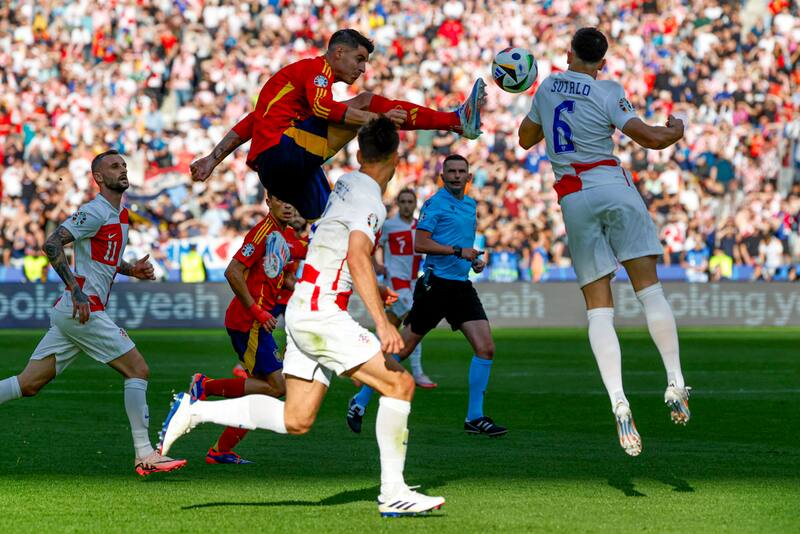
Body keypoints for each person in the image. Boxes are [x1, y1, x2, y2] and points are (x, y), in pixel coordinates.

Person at [158, 118, 445, 517]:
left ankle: (195, 411)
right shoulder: (371, 200)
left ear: (359, 155)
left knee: (297, 418)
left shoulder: (344, 183)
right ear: (396, 159)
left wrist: (375, 290)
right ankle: (393, 491)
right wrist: (382, 322)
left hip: (302, 309)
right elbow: (358, 254)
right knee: (399, 384)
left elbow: (333, 246)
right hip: (322, 312)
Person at [518, 27, 690, 456]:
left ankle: (618, 399)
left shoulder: (547, 87)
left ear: (569, 53)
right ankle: (674, 380)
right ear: (602, 61)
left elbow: (525, 139)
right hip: (610, 183)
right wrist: (675, 131)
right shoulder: (609, 89)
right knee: (649, 290)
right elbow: (649, 139)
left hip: (573, 198)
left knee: (599, 308)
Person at [0, 150, 186, 476]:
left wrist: (131, 270)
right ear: (99, 178)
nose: (123, 169)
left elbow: (106, 258)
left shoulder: (121, 214)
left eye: (124, 164)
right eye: (114, 166)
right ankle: (145, 454)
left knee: (28, 384)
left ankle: (145, 454)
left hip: (73, 312)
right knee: (138, 370)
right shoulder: (95, 211)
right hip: (83, 310)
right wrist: (76, 291)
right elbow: (52, 244)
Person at [190, 28, 486, 220]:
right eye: (359, 58)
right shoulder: (316, 69)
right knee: (367, 101)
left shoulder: (288, 98)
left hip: (275, 169)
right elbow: (322, 107)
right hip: (284, 151)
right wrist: (377, 118)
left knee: (324, 217)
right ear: (338, 52)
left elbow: (251, 122)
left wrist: (212, 160)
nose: (362, 67)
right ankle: (456, 121)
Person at [347, 154, 507, 438]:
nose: (457, 176)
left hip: (460, 286)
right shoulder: (435, 204)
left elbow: (461, 244)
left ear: (469, 177)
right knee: (402, 350)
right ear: (443, 176)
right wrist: (458, 252)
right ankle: (360, 401)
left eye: (462, 171)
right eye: (452, 171)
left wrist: (472, 261)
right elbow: (420, 243)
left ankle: (474, 417)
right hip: (436, 287)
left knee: (486, 348)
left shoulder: (470, 205)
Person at [188, 192, 305, 465]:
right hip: (248, 322)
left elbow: (287, 271)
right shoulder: (262, 232)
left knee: (265, 388)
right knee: (276, 387)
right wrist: (258, 311)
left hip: (256, 322)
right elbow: (232, 271)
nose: (288, 204)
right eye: (281, 198)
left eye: (291, 199)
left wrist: (302, 288)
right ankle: (206, 386)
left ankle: (221, 450)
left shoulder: (283, 234)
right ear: (268, 201)